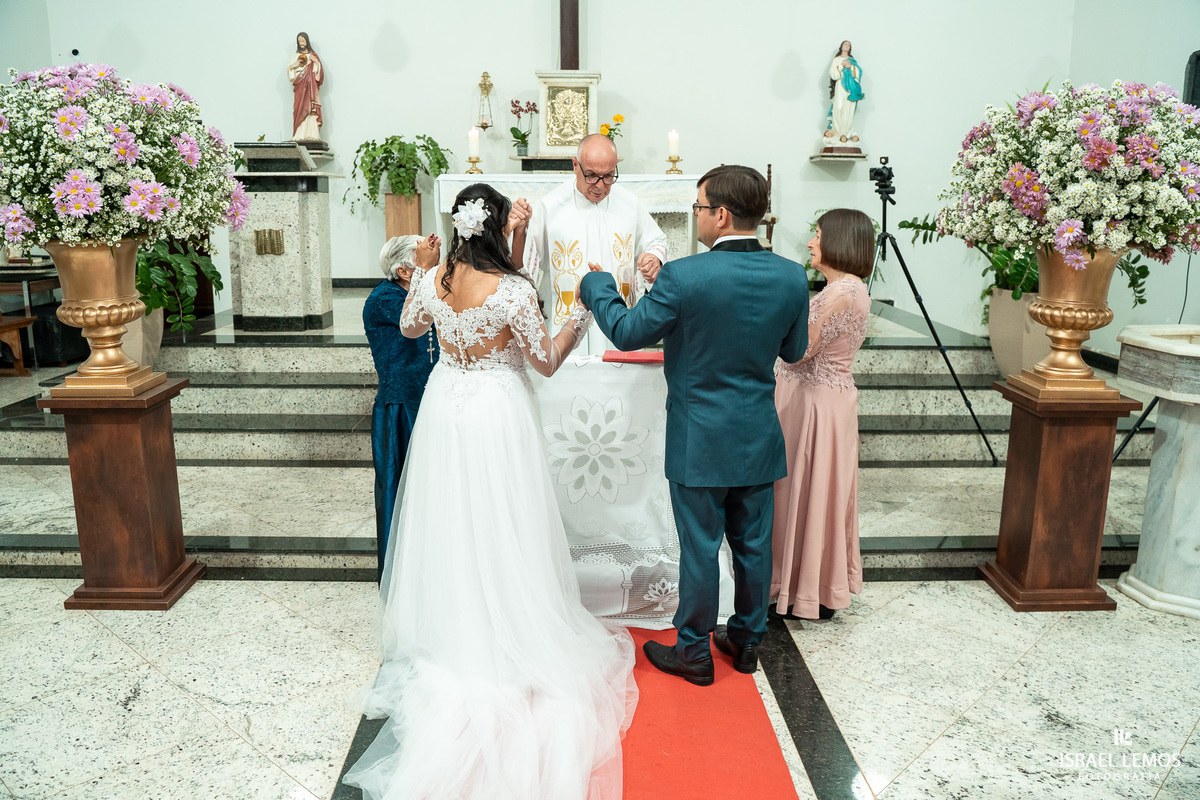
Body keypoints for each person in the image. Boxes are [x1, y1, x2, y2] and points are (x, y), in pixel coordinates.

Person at [343, 184, 637, 800]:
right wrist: (581, 315)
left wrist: (427, 271)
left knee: (452, 516)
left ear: (459, 226)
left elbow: (409, 326)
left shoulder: (435, 279)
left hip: (446, 409)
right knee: (505, 517)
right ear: (500, 226)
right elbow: (544, 361)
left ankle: (456, 621)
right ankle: (509, 620)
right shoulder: (514, 290)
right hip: (496, 413)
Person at [579, 165, 809, 686]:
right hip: (758, 435)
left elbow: (627, 332)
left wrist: (598, 285)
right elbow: (793, 351)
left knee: (701, 547)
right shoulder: (791, 276)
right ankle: (747, 641)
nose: (697, 216)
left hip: (700, 437)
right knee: (753, 545)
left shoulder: (684, 276)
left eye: (699, 208)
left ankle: (694, 652)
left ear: (721, 214)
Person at [771, 209, 873, 621]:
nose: (811, 242)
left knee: (804, 490)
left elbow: (798, 350)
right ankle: (811, 585)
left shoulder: (840, 293)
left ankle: (802, 589)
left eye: (817, 234)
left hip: (814, 403)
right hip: (823, 399)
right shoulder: (850, 289)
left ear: (839, 241)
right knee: (818, 492)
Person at [521, 134, 668, 355]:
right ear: (575, 165)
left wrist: (653, 258)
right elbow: (524, 264)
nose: (600, 185)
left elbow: (656, 240)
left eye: (608, 176)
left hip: (617, 323)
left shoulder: (629, 204)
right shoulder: (549, 207)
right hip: (565, 326)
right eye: (591, 176)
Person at [363, 234, 441, 583]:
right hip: (400, 411)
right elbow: (420, 318)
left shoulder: (418, 290)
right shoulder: (384, 299)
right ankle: (400, 579)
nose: (433, 264)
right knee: (399, 491)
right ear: (405, 271)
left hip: (428, 402)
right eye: (422, 260)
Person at [824, 40, 864, 146]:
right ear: (841, 47)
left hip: (850, 89)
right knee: (839, 107)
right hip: (840, 87)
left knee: (848, 109)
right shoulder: (837, 60)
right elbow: (833, 74)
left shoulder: (852, 60)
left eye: (849, 45)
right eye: (845, 44)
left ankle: (846, 134)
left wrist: (851, 67)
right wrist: (842, 65)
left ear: (850, 48)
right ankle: (837, 133)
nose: (847, 46)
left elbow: (859, 73)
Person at [287, 32, 323, 142]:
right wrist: (296, 64)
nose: (301, 43)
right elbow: (290, 72)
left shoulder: (313, 55)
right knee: (299, 108)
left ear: (307, 41)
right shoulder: (295, 56)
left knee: (311, 108)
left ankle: (312, 134)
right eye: (299, 41)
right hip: (300, 85)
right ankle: (299, 134)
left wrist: (316, 62)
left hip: (311, 87)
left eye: (303, 41)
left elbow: (318, 74)